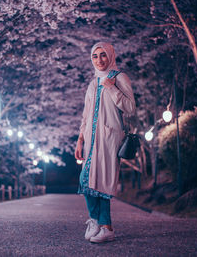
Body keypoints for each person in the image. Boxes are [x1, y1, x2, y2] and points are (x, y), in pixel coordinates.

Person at [75, 42, 135, 243]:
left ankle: (105, 226)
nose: (99, 60)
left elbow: (130, 108)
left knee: (101, 183)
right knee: (88, 180)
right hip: (91, 141)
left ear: (110, 56)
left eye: (103, 55)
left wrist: (112, 89)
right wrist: (80, 140)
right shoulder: (92, 83)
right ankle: (98, 222)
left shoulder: (119, 78)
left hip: (109, 139)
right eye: (95, 56)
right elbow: (86, 114)